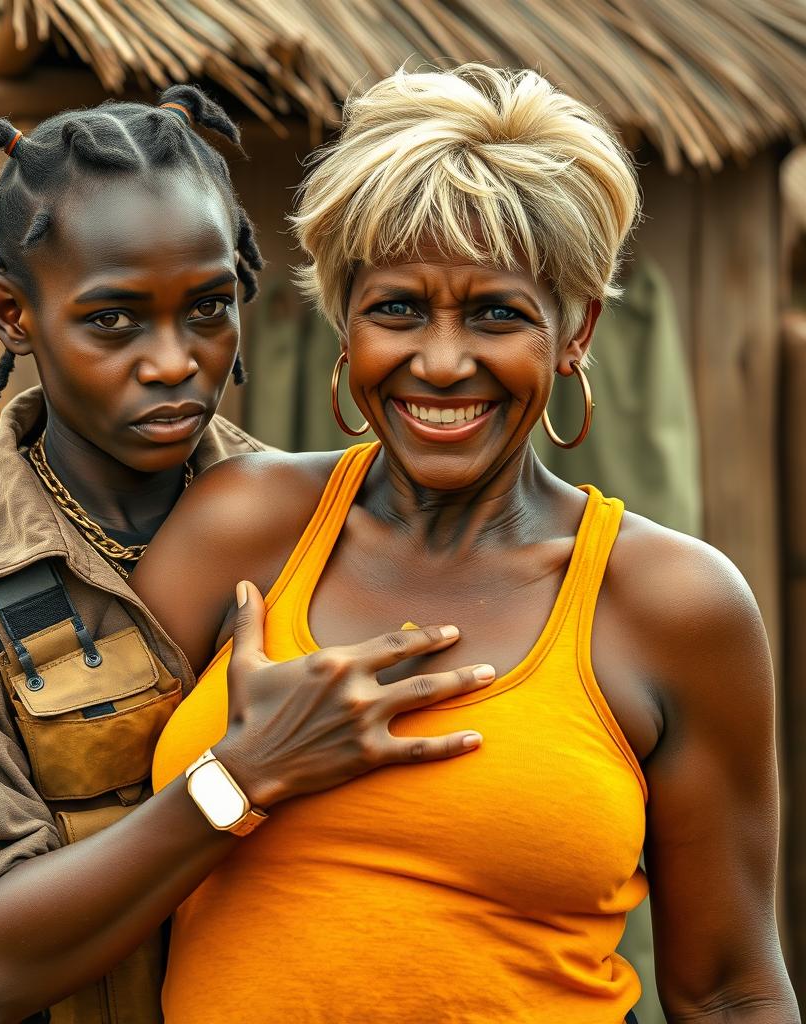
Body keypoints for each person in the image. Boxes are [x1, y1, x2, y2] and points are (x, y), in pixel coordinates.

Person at [138, 66, 799, 1023]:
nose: (442, 364)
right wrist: (240, 774)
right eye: (398, 308)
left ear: (575, 331)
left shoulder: (673, 607)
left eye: (498, 313)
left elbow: (731, 990)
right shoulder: (239, 531)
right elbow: (78, 849)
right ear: (344, 318)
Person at [0, 88, 492, 1024]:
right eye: (113, 320)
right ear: (14, 315)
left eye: (208, 308)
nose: (172, 360)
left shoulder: (326, 523)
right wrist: (239, 778)